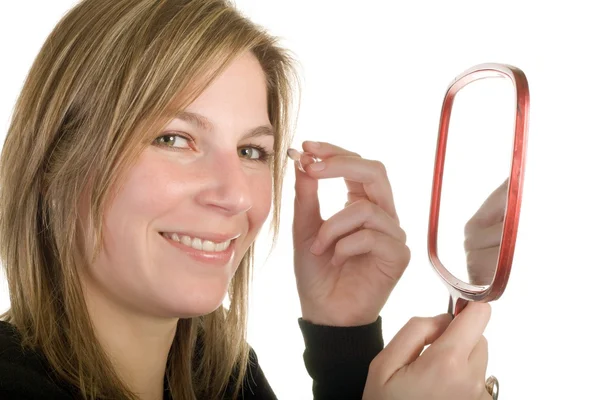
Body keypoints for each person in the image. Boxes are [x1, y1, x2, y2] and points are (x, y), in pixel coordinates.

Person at [0, 0, 493, 399]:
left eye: (252, 150)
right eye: (174, 139)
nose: (236, 195)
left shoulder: (224, 378)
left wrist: (343, 337)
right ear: (54, 163)